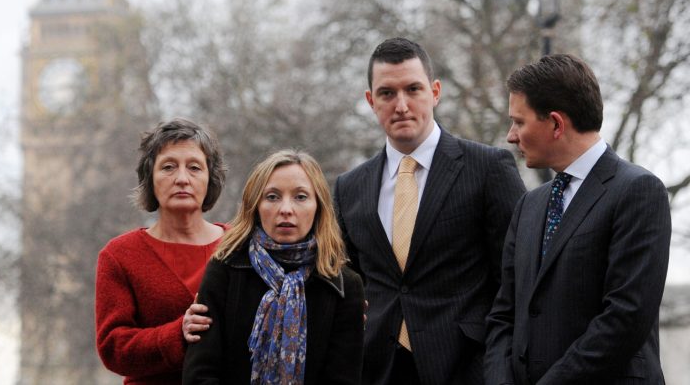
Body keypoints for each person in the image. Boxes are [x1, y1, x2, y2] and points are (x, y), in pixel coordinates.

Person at [334, 37, 527, 385]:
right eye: (387, 93)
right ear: (370, 100)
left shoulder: (488, 168)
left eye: (413, 89)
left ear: (435, 92)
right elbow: (349, 285)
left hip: (469, 368)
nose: (402, 105)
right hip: (378, 370)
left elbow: (516, 280)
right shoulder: (350, 187)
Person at [484, 54, 672, 385]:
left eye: (519, 122)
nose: (511, 136)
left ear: (556, 123)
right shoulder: (529, 205)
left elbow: (625, 318)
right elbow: (503, 315)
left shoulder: (638, 191)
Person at [182, 149, 365, 385]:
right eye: (272, 197)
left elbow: (343, 378)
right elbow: (200, 373)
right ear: (254, 205)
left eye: (300, 197)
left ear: (318, 206)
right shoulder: (225, 268)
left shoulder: (343, 285)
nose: (286, 209)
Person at [95, 117, 228, 384]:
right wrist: (177, 334)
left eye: (194, 168)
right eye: (168, 167)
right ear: (150, 178)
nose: (182, 178)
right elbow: (113, 348)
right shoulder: (119, 256)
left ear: (209, 178)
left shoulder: (241, 246)